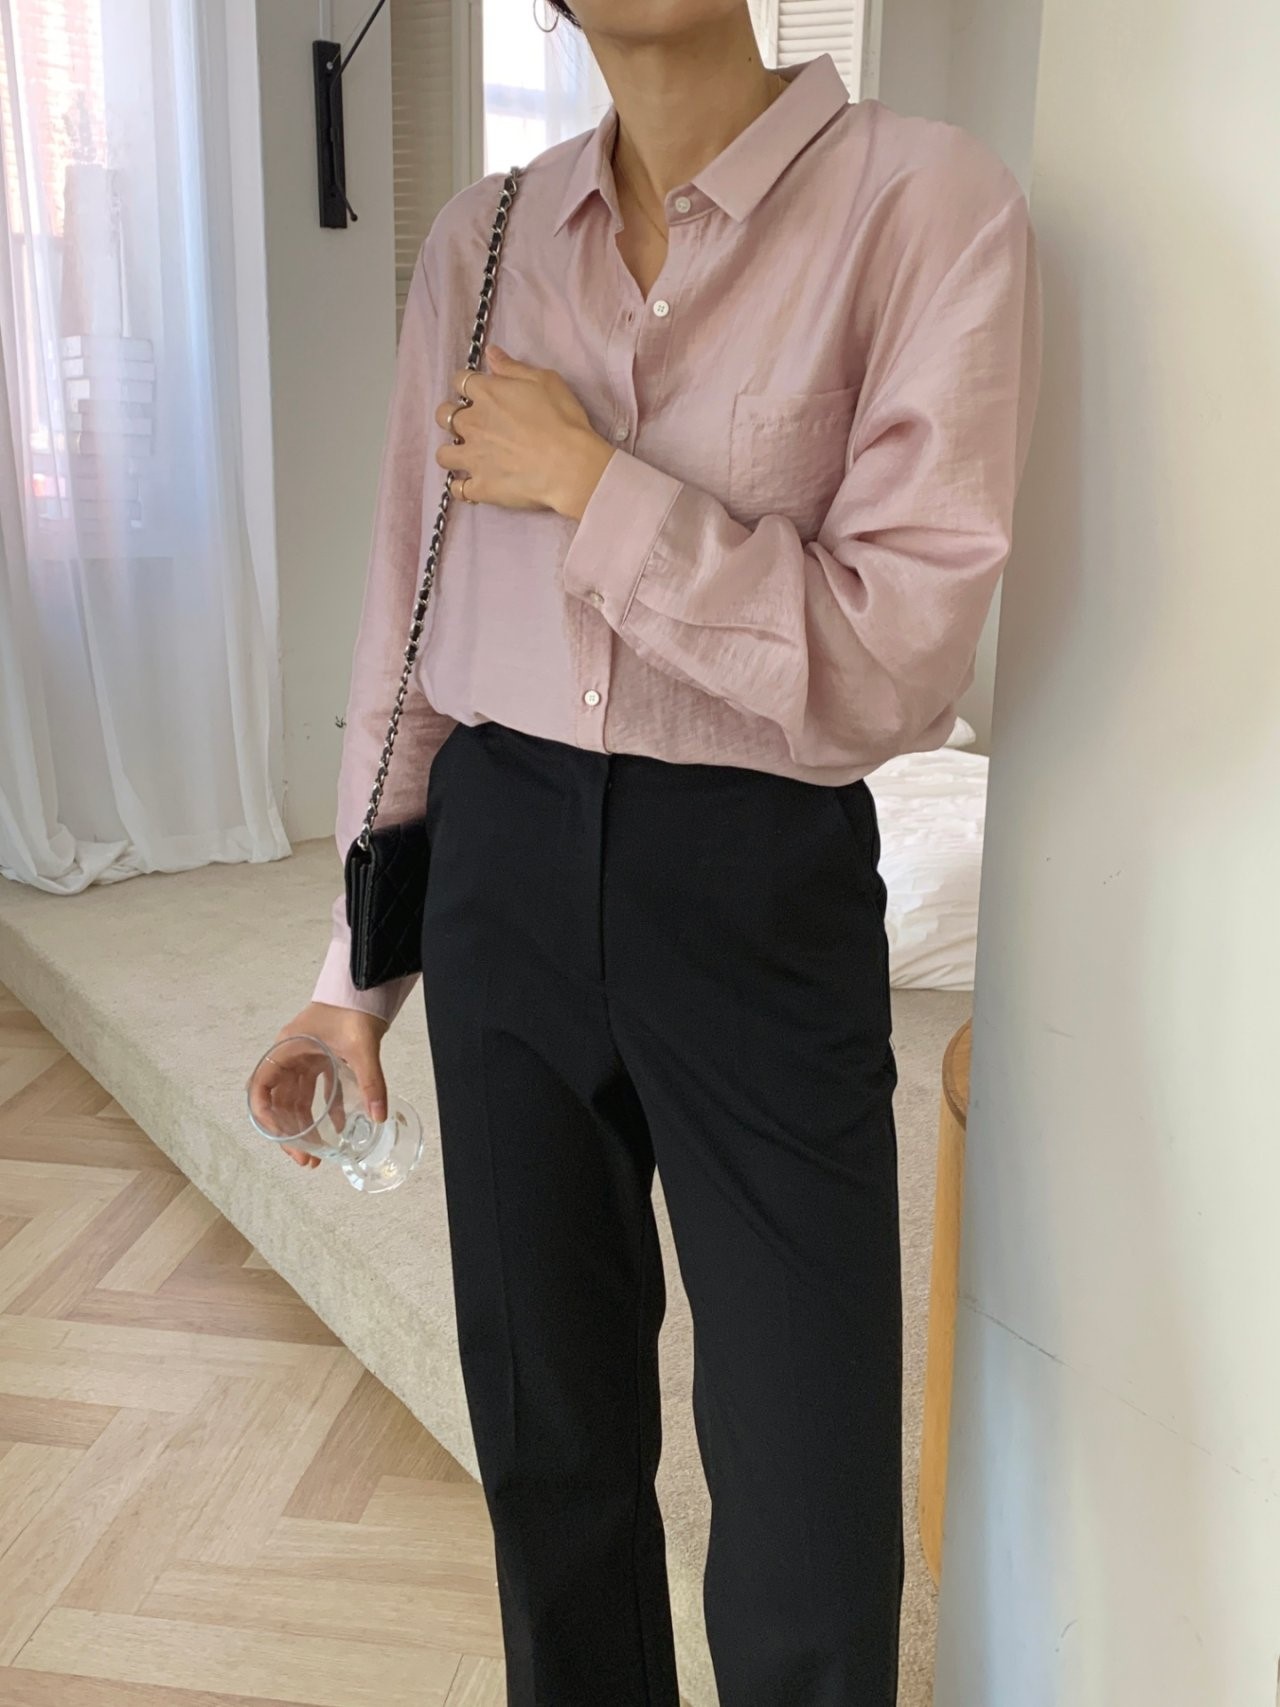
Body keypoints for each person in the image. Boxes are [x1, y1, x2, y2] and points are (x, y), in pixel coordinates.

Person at [275, 3, 1041, 1701]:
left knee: (807, 1480)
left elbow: (894, 660)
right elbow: (408, 629)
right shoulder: (481, 243)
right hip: (500, 869)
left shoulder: (925, 205)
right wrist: (353, 973)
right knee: (547, 1444)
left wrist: (592, 484)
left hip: (755, 873)